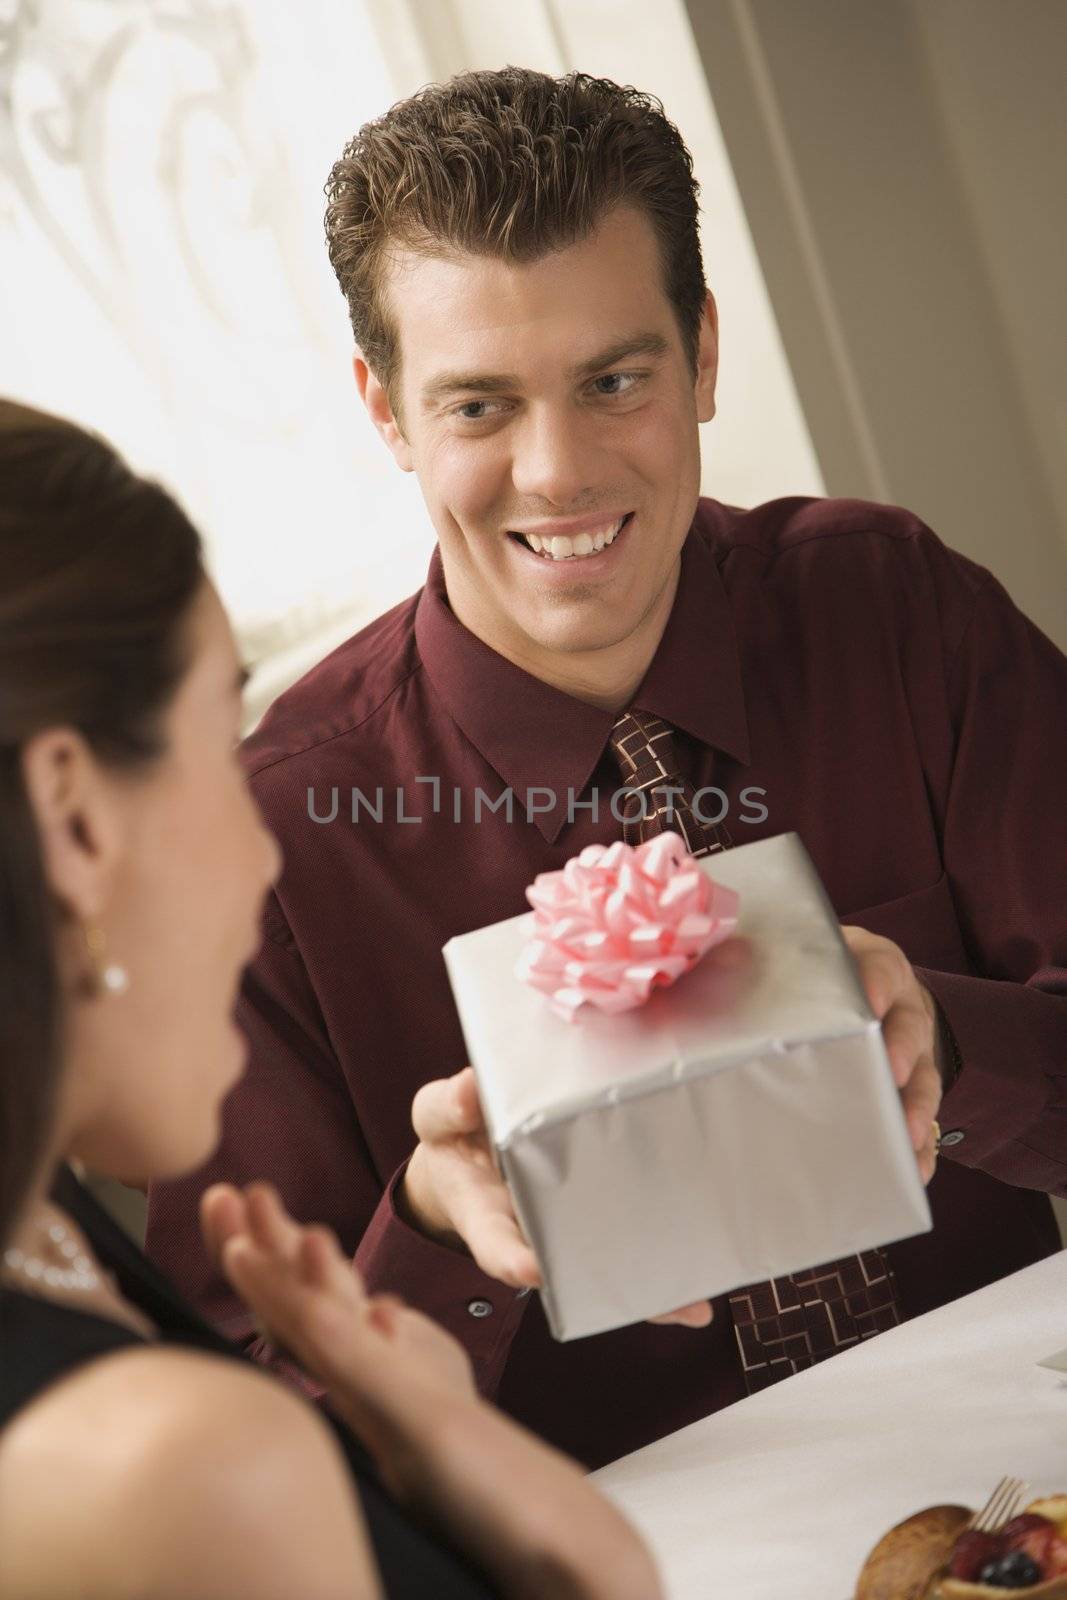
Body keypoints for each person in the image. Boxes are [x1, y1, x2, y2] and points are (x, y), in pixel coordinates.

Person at [147, 67, 1067, 1471]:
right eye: (476, 407)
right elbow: (241, 1452)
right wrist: (439, 1239)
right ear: (385, 413)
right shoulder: (268, 841)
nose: (556, 473)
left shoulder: (894, 608)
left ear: (700, 354)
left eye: (612, 380)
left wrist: (940, 1041)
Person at [0, 405, 662, 1600]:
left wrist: (425, 1434)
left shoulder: (43, 1231)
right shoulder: (178, 1468)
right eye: (216, 740)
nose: (260, 859)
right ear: (74, 823)